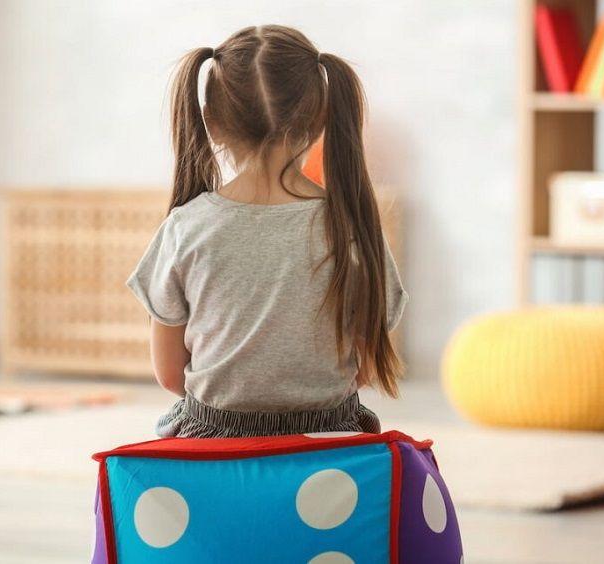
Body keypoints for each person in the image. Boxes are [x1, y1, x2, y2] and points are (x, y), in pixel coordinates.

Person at [127, 25, 408, 438]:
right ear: (320, 119)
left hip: (215, 442)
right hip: (328, 442)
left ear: (211, 122)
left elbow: (170, 375)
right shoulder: (353, 228)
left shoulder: (186, 228)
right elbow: (364, 369)